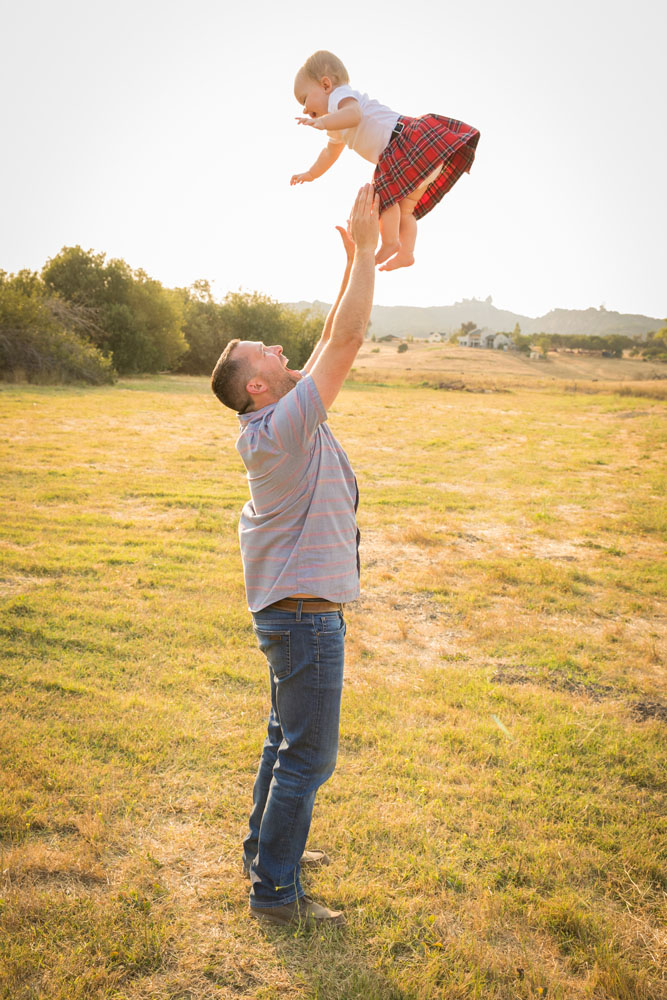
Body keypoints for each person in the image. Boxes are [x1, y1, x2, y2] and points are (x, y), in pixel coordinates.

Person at [210, 184, 379, 927]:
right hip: (307, 619)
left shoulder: (278, 414)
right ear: (256, 383)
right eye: (265, 352)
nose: (281, 350)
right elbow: (343, 344)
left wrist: (349, 264)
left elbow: (319, 346)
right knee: (309, 759)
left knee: (285, 741)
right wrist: (370, 251)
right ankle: (275, 893)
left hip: (293, 614)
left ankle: (263, 853)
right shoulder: (280, 429)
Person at [291, 50, 480, 272]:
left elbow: (354, 115)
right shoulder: (335, 124)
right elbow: (329, 154)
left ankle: (391, 243)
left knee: (383, 199)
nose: (303, 109)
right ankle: (407, 253)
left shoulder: (339, 97)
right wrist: (311, 174)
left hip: (404, 146)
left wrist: (323, 123)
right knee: (405, 211)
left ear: (325, 85)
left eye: (304, 99)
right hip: (416, 159)